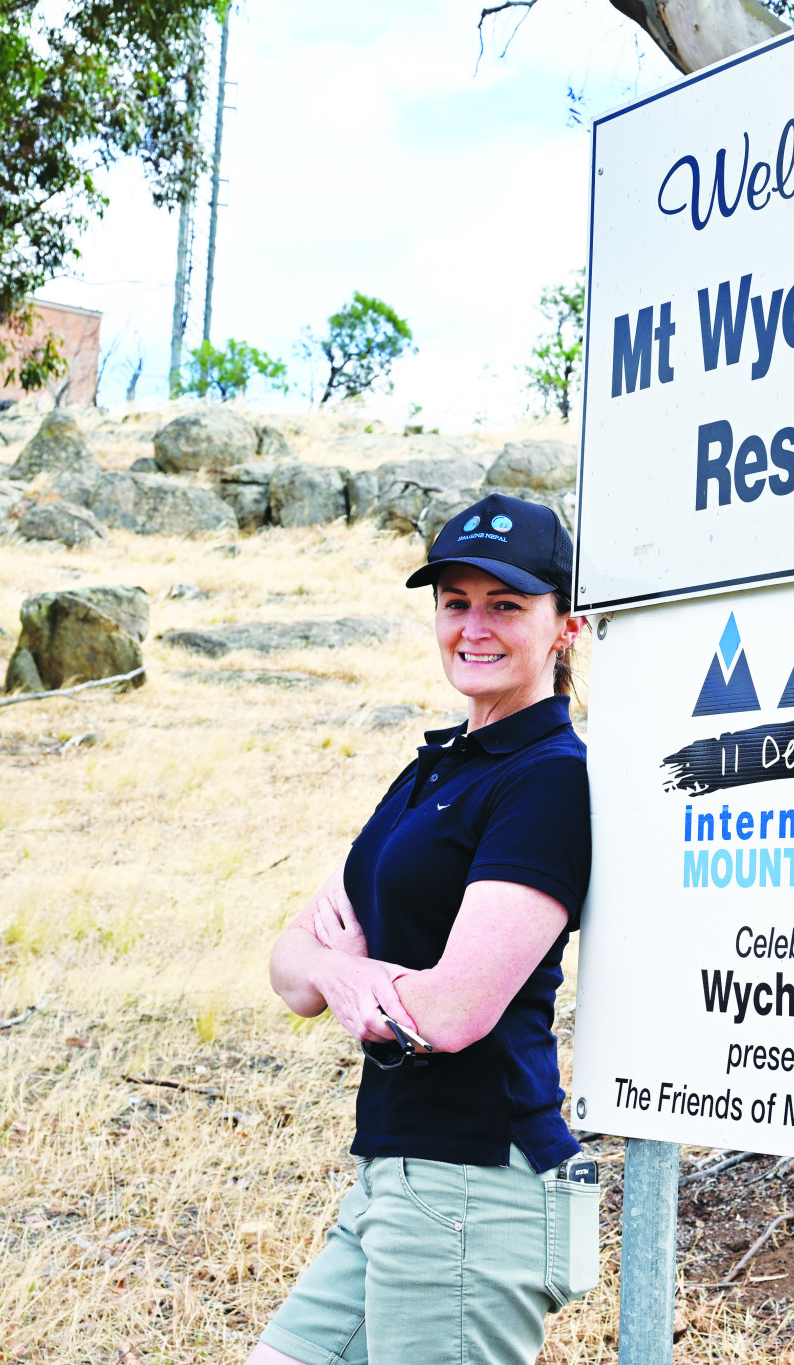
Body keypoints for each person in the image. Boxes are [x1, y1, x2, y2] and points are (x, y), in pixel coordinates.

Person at [249, 493, 599, 1365]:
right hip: (394, 1174)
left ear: (567, 626)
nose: (473, 626)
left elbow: (449, 1013)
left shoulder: (548, 780)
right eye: (455, 601)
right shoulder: (436, 770)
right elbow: (291, 966)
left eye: (507, 604)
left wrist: (355, 972)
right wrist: (339, 976)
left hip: (475, 1181)